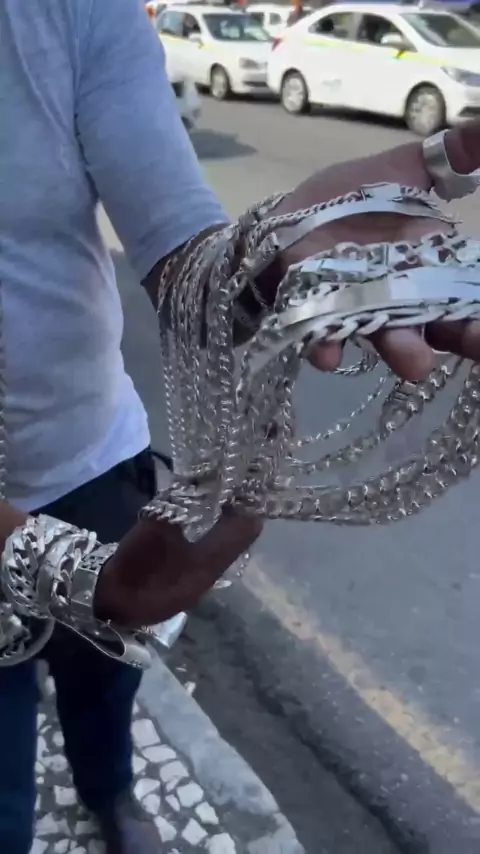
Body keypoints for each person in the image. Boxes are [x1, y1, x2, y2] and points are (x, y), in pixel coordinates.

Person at [1, 1, 480, 853]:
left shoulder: (70, 12)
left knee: (105, 682)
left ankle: (111, 793)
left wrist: (267, 253)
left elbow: (181, 248)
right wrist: (62, 570)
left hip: (91, 462)